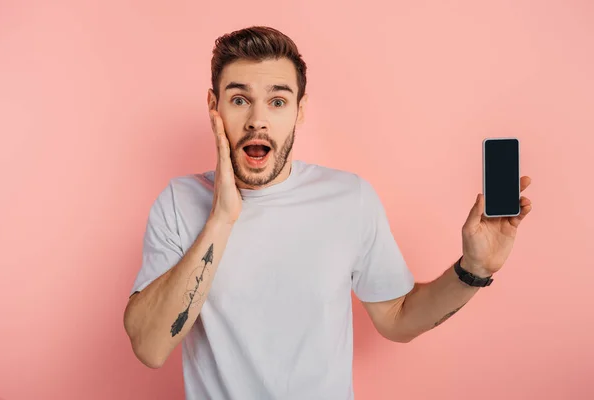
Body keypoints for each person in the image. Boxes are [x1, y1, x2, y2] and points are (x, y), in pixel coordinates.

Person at [123, 26, 533, 400]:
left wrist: (474, 269)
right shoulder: (179, 201)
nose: (257, 120)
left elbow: (398, 319)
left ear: (299, 110)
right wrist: (221, 217)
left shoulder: (348, 198)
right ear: (214, 107)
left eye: (278, 101)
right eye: (239, 100)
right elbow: (150, 347)